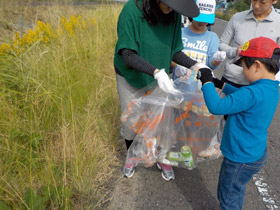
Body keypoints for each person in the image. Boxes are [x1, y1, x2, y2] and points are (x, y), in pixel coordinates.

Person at [114, 0, 210, 181]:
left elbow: (174, 51)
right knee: (131, 120)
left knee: (159, 120)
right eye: (169, 5)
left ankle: (161, 156)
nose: (171, 11)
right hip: (130, 76)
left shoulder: (173, 13)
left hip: (160, 75)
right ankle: (132, 157)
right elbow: (127, 54)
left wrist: (196, 65)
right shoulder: (132, 10)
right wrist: (156, 72)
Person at [197, 36, 280, 209]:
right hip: (255, 153)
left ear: (256, 65)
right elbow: (243, 98)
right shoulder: (271, 87)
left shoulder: (251, 92)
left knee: (227, 196)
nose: (242, 71)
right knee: (236, 189)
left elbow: (216, 106)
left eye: (243, 66)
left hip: (239, 157)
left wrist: (206, 81)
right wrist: (221, 84)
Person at [219, 0, 280, 88]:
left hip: (259, 86)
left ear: (274, 1)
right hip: (231, 79)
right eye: (254, 0)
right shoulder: (237, 18)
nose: (256, 5)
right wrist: (234, 51)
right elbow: (222, 43)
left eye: (262, 2)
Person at [173, 0, 226, 81]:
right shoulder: (180, 33)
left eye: (205, 19)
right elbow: (170, 57)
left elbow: (211, 66)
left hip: (198, 87)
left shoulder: (213, 37)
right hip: (178, 83)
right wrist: (177, 66)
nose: (202, 22)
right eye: (199, 18)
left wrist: (217, 60)